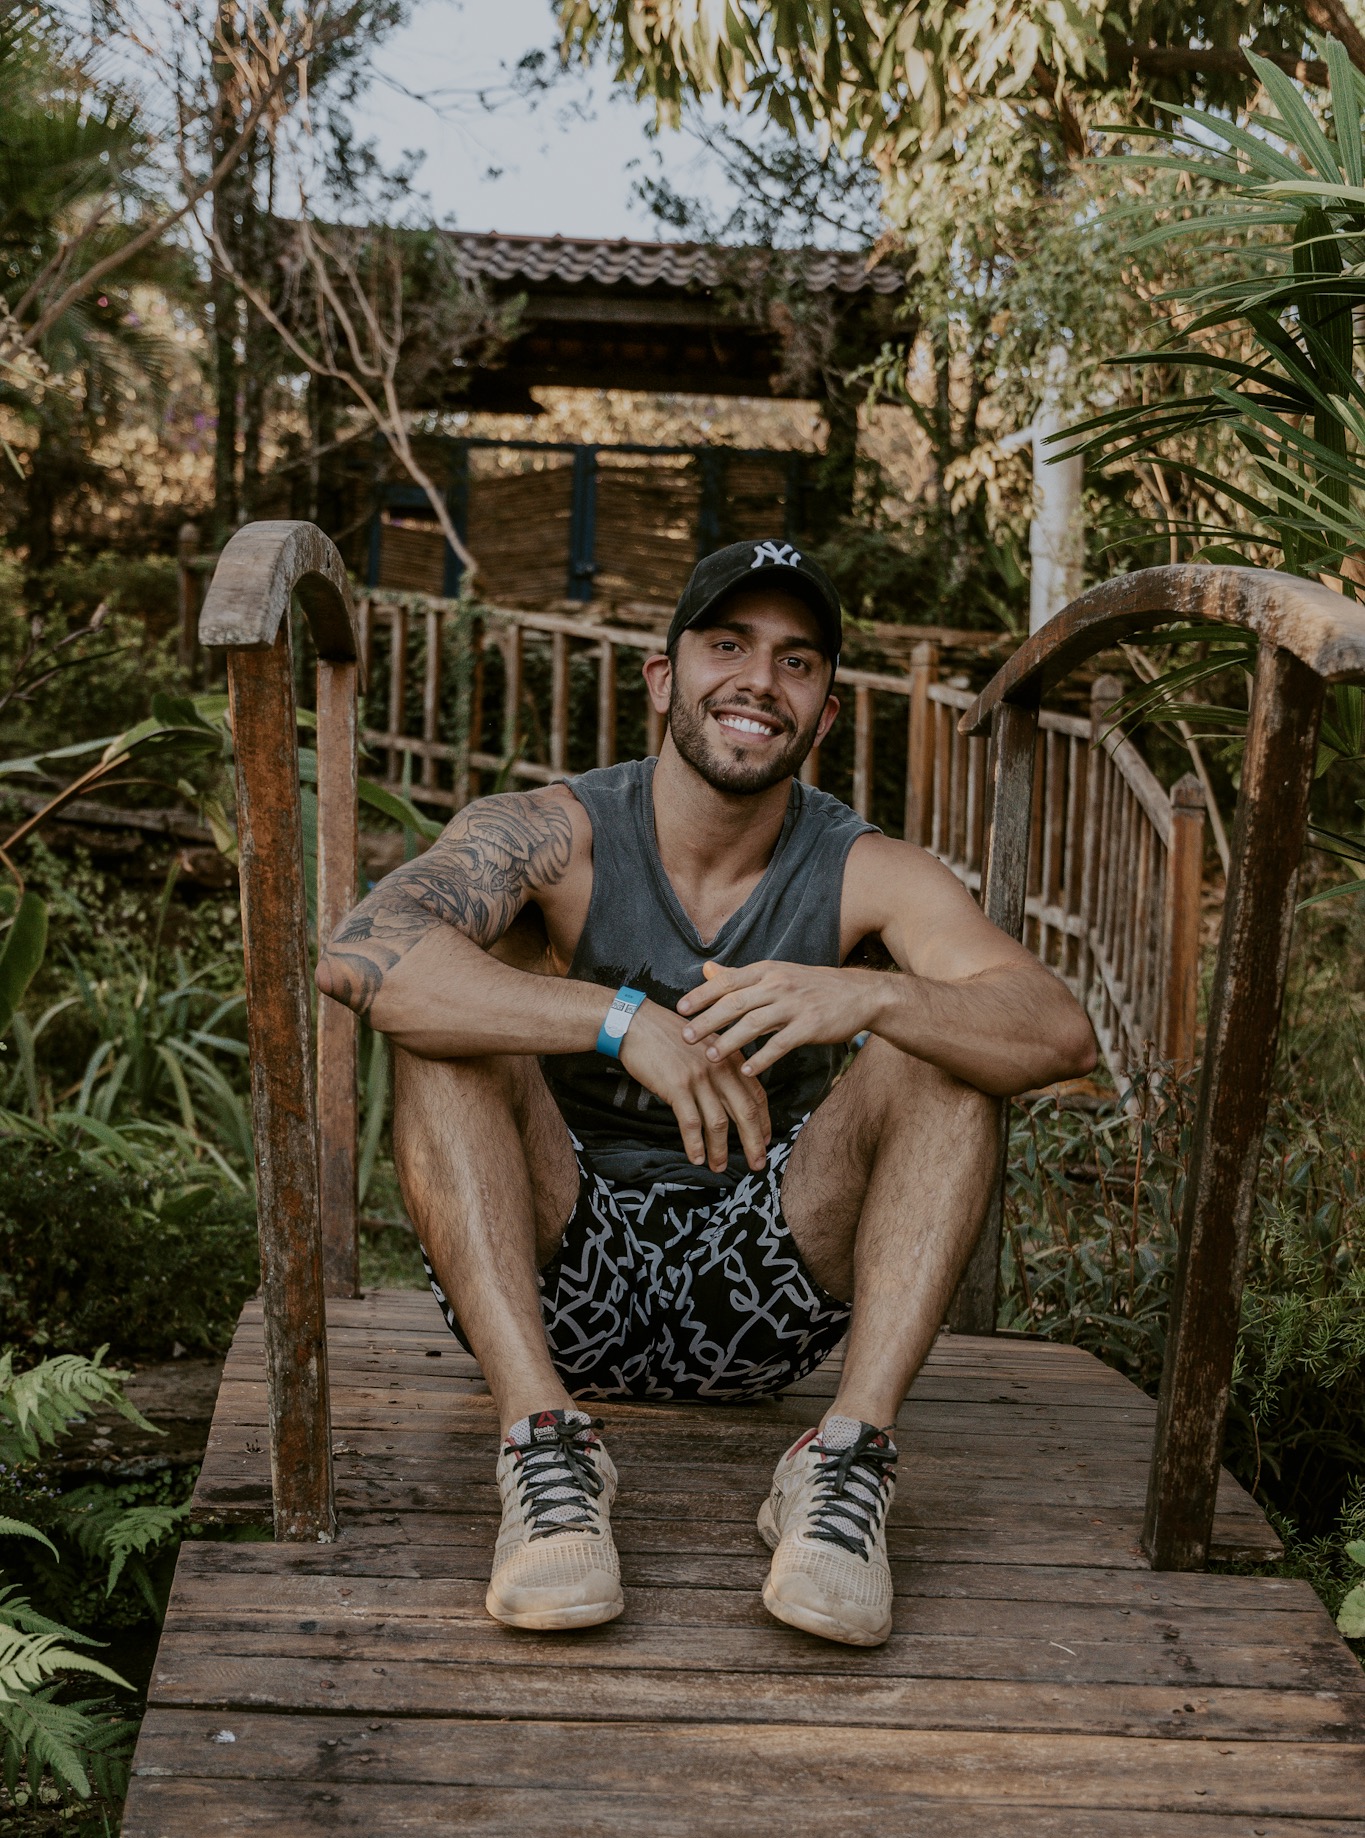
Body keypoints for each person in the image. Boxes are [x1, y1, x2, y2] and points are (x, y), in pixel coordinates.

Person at [316, 540, 1097, 1649]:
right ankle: (544, 1450)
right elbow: (360, 955)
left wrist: (862, 996)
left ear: (824, 710)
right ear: (663, 676)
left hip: (765, 1286)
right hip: (558, 1276)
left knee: (942, 1037)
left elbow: (1057, 1029)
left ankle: (843, 1464)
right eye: (726, 645)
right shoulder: (559, 832)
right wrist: (620, 1019)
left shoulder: (866, 869)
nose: (759, 682)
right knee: (448, 1026)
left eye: (796, 661)